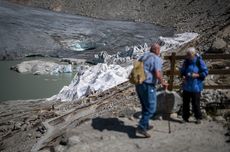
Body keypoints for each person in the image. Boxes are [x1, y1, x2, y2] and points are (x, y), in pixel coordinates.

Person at [135, 43, 168, 138]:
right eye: (159, 49)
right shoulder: (156, 58)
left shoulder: (143, 56)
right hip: (148, 85)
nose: (159, 51)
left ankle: (145, 125)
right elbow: (157, 73)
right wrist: (163, 82)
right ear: (156, 50)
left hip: (139, 84)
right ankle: (141, 127)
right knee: (151, 108)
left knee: (145, 106)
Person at [180, 47, 208, 124]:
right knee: (185, 103)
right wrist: (183, 76)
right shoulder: (186, 62)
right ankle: (185, 118)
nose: (187, 56)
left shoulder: (199, 61)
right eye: (187, 54)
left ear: (193, 54)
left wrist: (197, 75)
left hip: (196, 86)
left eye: (188, 55)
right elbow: (182, 71)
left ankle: (198, 117)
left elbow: (205, 72)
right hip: (187, 86)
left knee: (196, 103)